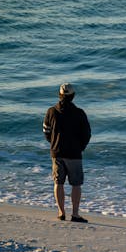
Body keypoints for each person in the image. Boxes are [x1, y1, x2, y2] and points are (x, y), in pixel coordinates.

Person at [43, 83, 91, 222]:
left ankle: (61, 212)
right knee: (76, 184)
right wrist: (80, 147)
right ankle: (75, 214)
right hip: (74, 153)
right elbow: (87, 134)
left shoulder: (51, 111)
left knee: (58, 182)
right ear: (73, 96)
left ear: (60, 95)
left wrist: (53, 143)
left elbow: (46, 131)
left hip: (57, 152)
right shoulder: (79, 113)